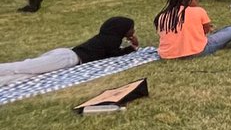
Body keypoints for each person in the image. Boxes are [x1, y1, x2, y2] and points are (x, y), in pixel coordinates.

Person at [0, 17, 139, 86]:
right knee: (25, 67)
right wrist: (132, 47)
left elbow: (111, 52)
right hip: (67, 58)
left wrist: (130, 47)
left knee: (30, 75)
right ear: (121, 30)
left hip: (66, 57)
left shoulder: (107, 38)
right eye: (131, 28)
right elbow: (113, 54)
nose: (133, 31)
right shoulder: (111, 41)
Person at [154, 0, 231, 59]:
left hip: (167, 54)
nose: (197, 2)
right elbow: (206, 31)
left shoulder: (162, 15)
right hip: (196, 51)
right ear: (188, 0)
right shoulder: (198, 11)